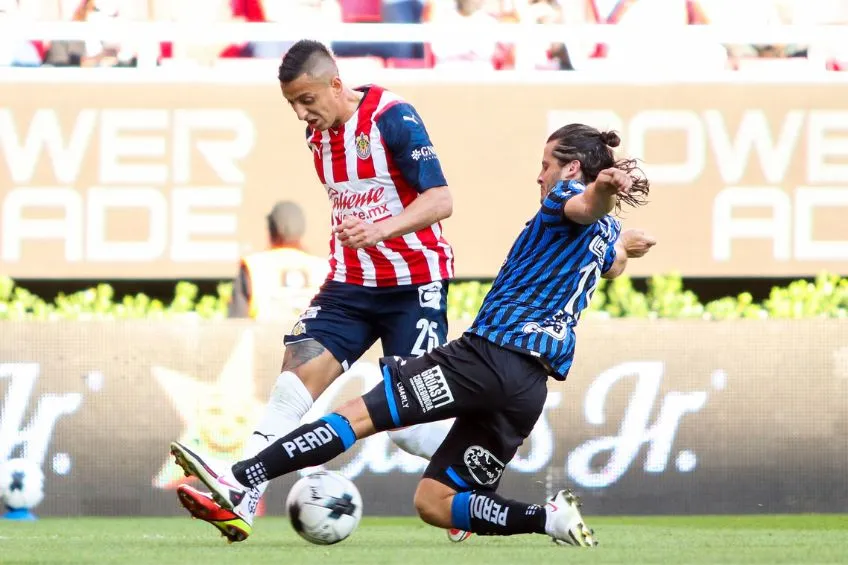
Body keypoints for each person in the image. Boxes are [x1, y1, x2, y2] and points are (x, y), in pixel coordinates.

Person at [169, 123, 656, 545]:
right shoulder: (607, 237)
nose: (540, 173)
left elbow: (586, 206)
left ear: (571, 169)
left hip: (485, 357)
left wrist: (604, 190)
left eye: (547, 163)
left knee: (357, 416)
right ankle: (545, 518)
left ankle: (241, 479)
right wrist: (626, 245)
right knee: (436, 501)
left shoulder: (566, 199)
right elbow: (609, 261)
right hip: (529, 389)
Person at [174, 39, 458, 543]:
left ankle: (471, 473)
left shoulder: (393, 116)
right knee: (292, 383)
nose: (302, 114)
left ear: (334, 84)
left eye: (308, 100)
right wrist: (363, 239)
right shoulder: (318, 137)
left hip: (413, 285)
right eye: (292, 105)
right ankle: (242, 493)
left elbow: (441, 199)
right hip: (350, 283)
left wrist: (382, 229)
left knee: (410, 427)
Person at [228, 201, 329, 321]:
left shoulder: (253, 266)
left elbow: (236, 326)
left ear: (271, 229)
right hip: (313, 339)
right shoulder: (324, 270)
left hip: (265, 339)